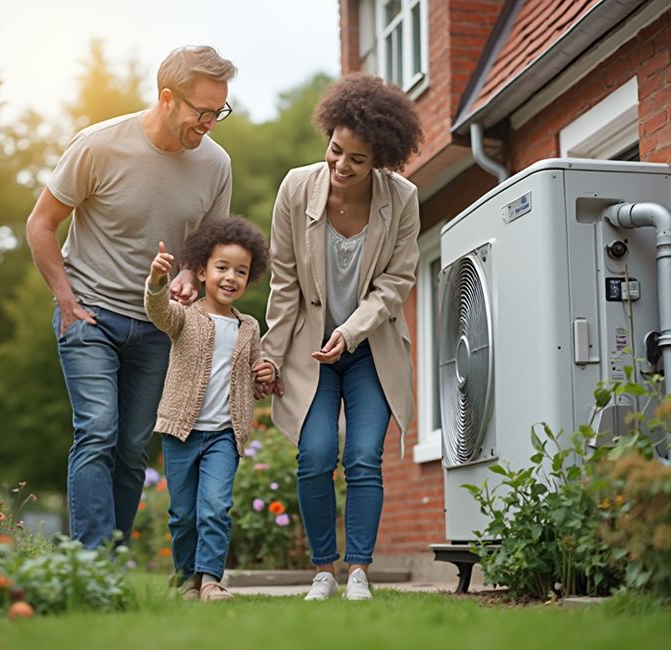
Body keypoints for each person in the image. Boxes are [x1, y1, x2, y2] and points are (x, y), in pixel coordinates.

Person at [25, 46, 237, 549]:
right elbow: (41, 225)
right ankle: (91, 561)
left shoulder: (216, 164)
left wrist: (189, 272)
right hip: (91, 314)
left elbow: (207, 247)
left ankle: (109, 566)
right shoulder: (98, 146)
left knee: (131, 449)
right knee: (97, 431)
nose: (210, 123)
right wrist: (66, 301)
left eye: (219, 112)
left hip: (157, 325)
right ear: (168, 98)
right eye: (202, 111)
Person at [259, 73, 424, 601]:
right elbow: (285, 284)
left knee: (363, 457)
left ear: (381, 159)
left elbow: (396, 283)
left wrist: (350, 333)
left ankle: (358, 573)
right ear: (327, 137)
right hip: (311, 350)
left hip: (369, 348)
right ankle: (323, 571)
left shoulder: (402, 199)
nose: (342, 166)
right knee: (314, 455)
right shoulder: (294, 188)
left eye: (358, 158)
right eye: (336, 150)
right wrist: (269, 357)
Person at [144, 217, 273, 601]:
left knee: (215, 508)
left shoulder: (249, 327)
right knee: (183, 514)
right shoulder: (186, 316)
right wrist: (156, 282)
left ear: (249, 279)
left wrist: (266, 374)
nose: (230, 277)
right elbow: (158, 312)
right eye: (222, 268)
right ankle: (187, 580)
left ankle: (211, 580)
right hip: (181, 432)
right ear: (202, 271)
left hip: (224, 435)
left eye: (240, 271)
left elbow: (257, 380)